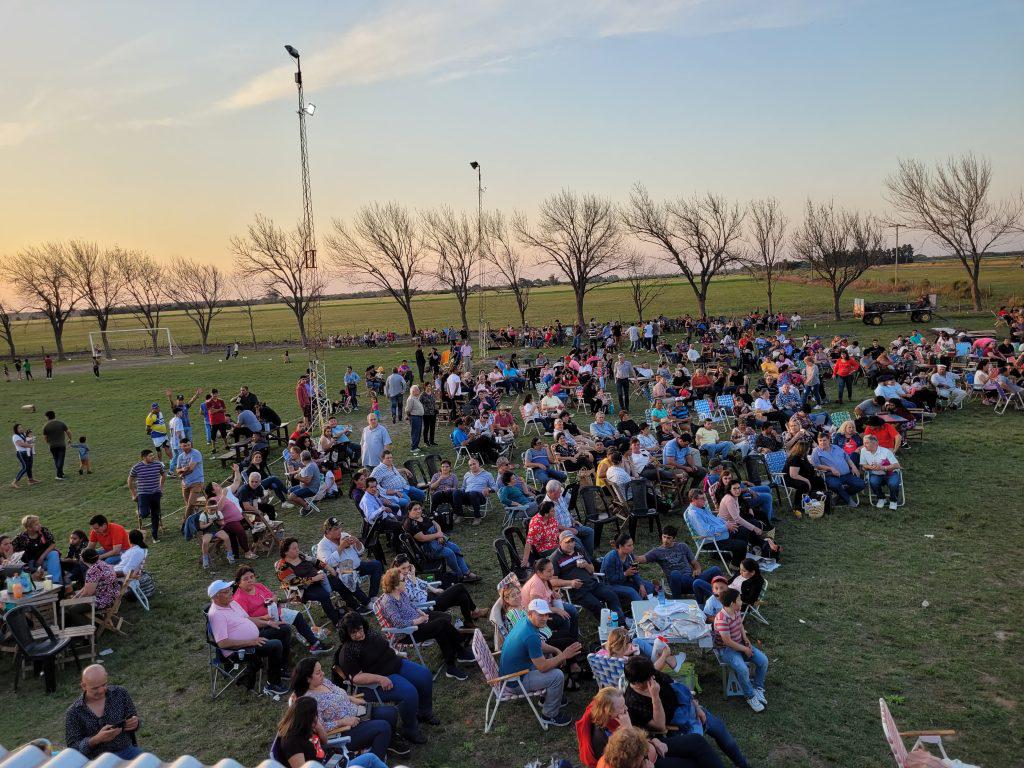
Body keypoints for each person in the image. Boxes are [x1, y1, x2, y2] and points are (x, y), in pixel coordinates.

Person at [624, 655, 749, 767]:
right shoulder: (632, 702)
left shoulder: (652, 676)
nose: (653, 678)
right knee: (700, 749)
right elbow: (660, 726)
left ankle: (742, 764)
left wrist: (697, 707)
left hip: (688, 708)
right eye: (649, 678)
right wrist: (655, 697)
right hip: (678, 726)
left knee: (721, 732)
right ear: (637, 682)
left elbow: (679, 688)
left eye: (653, 674)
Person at [335, 611, 436, 745]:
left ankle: (424, 712)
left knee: (424, 676)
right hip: (375, 681)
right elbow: (356, 678)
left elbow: (385, 647)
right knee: (409, 693)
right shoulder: (347, 651)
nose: (359, 634)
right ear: (347, 634)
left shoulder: (371, 633)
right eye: (353, 633)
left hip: (395, 664)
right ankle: (410, 729)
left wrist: (398, 653)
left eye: (359, 629)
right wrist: (380, 679)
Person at [289, 657, 407, 761]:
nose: (323, 674)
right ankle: (373, 761)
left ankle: (387, 742)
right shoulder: (309, 701)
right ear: (308, 678)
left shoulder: (323, 682)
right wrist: (343, 722)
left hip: (357, 712)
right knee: (383, 727)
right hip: (345, 730)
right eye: (318, 672)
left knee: (391, 713)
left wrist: (352, 698)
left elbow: (337, 694)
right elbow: (319, 728)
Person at [377, 567, 473, 680]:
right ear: (396, 585)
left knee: (445, 619)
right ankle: (460, 647)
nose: (406, 581)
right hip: (409, 632)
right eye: (403, 580)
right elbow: (398, 623)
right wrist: (418, 621)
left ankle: (452, 664)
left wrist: (420, 612)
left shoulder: (401, 593)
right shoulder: (389, 602)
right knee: (441, 624)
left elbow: (411, 605)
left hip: (418, 620)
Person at [498, 598, 582, 727]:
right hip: (515, 681)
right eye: (540, 615)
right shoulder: (530, 635)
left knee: (550, 658)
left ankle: (548, 698)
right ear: (530, 614)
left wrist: (556, 650)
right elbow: (542, 667)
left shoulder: (524, 622)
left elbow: (538, 644)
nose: (544, 618)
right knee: (557, 675)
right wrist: (564, 655)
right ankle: (549, 714)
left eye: (546, 614)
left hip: (514, 670)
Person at [207, 579, 289, 696]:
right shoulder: (216, 615)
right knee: (275, 645)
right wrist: (250, 642)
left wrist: (268, 623)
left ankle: (281, 668)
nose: (231, 592)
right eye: (226, 591)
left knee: (284, 629)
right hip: (238, 650)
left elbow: (248, 619)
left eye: (230, 589)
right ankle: (273, 683)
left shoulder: (232, 603)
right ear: (216, 598)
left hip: (254, 639)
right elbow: (223, 643)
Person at [233, 565, 330, 655]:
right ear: (239, 583)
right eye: (246, 579)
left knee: (298, 616)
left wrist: (273, 600)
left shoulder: (258, 586)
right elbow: (246, 620)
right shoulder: (239, 598)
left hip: (276, 612)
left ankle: (315, 644)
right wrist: (264, 617)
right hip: (262, 623)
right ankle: (285, 651)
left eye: (252, 577)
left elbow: (274, 596)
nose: (250, 580)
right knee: (283, 628)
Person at [276, 538, 366, 626]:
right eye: (294, 548)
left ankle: (353, 605)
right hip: (304, 589)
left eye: (297, 547)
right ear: (285, 552)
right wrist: (313, 579)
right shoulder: (282, 567)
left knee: (340, 581)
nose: (297, 550)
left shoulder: (300, 555)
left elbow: (315, 561)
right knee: (324, 595)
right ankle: (337, 621)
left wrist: (329, 568)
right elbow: (293, 582)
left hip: (319, 579)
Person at [65, 665, 142, 760]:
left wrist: (135, 722)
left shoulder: (120, 693)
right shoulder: (74, 712)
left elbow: (133, 718)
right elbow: (73, 749)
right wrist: (95, 740)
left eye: (104, 684)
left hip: (126, 750)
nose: (101, 691)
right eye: (95, 688)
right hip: (98, 760)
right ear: (83, 686)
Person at [713, 588, 768, 714]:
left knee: (763, 661)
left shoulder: (736, 611)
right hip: (727, 650)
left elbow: (740, 625)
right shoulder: (722, 619)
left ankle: (758, 687)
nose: (741, 601)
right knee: (742, 669)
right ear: (732, 603)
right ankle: (749, 695)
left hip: (740, 643)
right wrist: (745, 649)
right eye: (739, 599)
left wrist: (745, 638)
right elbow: (727, 641)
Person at [393, 554, 487, 627]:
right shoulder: (398, 582)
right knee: (459, 586)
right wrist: (413, 578)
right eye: (403, 568)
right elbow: (412, 596)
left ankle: (468, 622)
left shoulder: (408, 575)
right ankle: (476, 611)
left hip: (430, 597)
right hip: (426, 606)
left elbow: (423, 583)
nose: (406, 570)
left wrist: (435, 590)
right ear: (396, 568)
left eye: (408, 567)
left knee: (463, 597)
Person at [550, 532, 625, 621]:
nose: (571, 544)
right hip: (577, 591)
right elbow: (552, 581)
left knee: (612, 596)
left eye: (573, 541)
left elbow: (592, 570)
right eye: (567, 542)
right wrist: (570, 582)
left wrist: (586, 565)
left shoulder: (579, 550)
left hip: (592, 584)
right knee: (598, 606)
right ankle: (610, 627)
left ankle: (621, 622)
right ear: (560, 542)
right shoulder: (555, 558)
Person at [637, 526, 721, 603]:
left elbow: (695, 563)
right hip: (677, 583)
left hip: (692, 579)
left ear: (674, 538)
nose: (665, 540)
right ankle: (676, 600)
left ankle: (721, 596)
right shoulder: (657, 551)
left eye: (669, 538)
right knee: (675, 573)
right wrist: (627, 552)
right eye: (664, 537)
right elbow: (641, 559)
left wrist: (697, 569)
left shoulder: (682, 546)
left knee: (715, 569)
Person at [402, 503, 480, 582]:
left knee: (455, 548)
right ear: (409, 511)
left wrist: (440, 534)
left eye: (419, 508)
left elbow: (436, 524)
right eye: (415, 509)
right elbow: (422, 538)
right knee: (449, 553)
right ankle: (459, 575)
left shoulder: (423, 516)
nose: (419, 511)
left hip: (437, 539)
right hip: (427, 549)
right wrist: (437, 535)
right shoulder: (410, 523)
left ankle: (466, 572)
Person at [317, 517, 383, 600]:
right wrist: (341, 547)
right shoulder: (323, 545)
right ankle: (366, 602)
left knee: (376, 565)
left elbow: (361, 551)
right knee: (348, 576)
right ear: (327, 531)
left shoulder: (344, 535)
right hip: (341, 569)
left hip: (357, 565)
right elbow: (329, 563)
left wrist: (357, 542)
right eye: (336, 529)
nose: (340, 530)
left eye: (340, 527)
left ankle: (373, 596)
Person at [682, 490, 747, 567]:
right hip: (710, 540)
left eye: (704, 498)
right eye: (702, 498)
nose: (705, 500)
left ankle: (738, 558)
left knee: (743, 531)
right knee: (741, 545)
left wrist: (726, 523)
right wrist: (725, 527)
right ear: (693, 500)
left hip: (719, 534)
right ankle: (735, 565)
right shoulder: (694, 514)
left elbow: (715, 519)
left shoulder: (701, 508)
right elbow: (705, 532)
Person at [810, 432, 865, 507]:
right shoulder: (816, 451)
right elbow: (815, 465)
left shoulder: (836, 447)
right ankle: (848, 500)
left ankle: (839, 496)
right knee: (835, 485)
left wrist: (853, 467)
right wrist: (830, 468)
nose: (822, 442)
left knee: (862, 484)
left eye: (824, 440)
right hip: (831, 476)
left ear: (829, 440)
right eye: (820, 440)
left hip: (846, 474)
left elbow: (847, 458)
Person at [600, 533, 653, 604]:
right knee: (631, 591)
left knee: (649, 586)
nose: (632, 548)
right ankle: (642, 609)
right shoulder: (611, 557)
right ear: (620, 546)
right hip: (610, 585)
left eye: (632, 545)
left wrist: (641, 584)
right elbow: (609, 578)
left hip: (624, 582)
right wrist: (625, 574)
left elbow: (634, 572)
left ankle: (648, 604)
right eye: (629, 545)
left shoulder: (629, 555)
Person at [127, 450, 165, 542]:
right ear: (144, 457)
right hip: (143, 494)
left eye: (153, 455)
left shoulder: (158, 465)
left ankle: (154, 535)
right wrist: (133, 494)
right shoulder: (136, 467)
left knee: (155, 514)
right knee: (144, 514)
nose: (153, 457)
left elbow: (163, 474)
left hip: (156, 493)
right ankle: (140, 510)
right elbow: (130, 480)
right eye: (150, 456)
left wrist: (161, 487)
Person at [859, 434, 902, 510]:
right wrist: (870, 467)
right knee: (873, 482)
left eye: (867, 443)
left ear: (875, 443)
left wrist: (882, 467)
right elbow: (863, 465)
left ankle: (893, 500)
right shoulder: (863, 451)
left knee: (893, 483)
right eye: (864, 443)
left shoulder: (886, 451)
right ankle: (881, 498)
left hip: (890, 473)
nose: (864, 445)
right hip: (876, 474)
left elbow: (897, 465)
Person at [13, 515, 62, 581]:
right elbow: (12, 549)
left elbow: (52, 544)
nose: (40, 525)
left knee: (54, 553)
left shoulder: (43, 531)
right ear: (29, 528)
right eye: (36, 524)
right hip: (30, 564)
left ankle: (55, 582)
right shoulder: (21, 538)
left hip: (44, 559)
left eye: (39, 523)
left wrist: (41, 557)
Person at [286, 450, 322, 516]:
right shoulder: (310, 463)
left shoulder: (310, 467)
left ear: (302, 459)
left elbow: (308, 481)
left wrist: (298, 478)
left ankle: (307, 508)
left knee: (292, 496)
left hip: (311, 489)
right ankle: (304, 502)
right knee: (289, 491)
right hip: (306, 486)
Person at [176, 439, 205, 519]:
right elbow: (177, 469)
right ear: (180, 446)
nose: (188, 447)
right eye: (185, 445)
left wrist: (182, 475)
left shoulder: (195, 453)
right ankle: (195, 520)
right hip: (185, 484)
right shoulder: (180, 456)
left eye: (189, 445)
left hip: (197, 482)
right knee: (188, 504)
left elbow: (191, 468)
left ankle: (185, 522)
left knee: (190, 505)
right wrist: (182, 470)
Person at [42, 409, 72, 480]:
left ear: (47, 417)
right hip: (61, 445)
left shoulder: (46, 426)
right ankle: (59, 475)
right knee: (61, 459)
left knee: (56, 459)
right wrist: (70, 439)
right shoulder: (61, 423)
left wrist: (48, 443)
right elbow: (68, 432)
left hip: (52, 446)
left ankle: (60, 474)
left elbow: (45, 437)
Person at [11, 423, 37, 488]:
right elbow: (20, 444)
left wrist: (31, 440)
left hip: (28, 452)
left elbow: (28, 440)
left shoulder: (23, 434)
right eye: (19, 428)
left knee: (29, 466)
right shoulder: (15, 436)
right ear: (16, 430)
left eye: (21, 427)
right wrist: (30, 446)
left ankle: (30, 480)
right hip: (21, 453)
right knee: (25, 467)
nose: (21, 429)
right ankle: (14, 482)